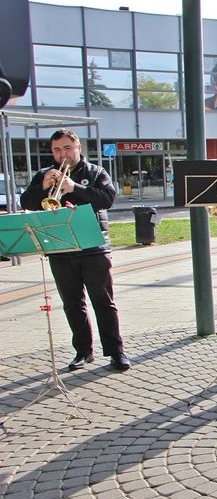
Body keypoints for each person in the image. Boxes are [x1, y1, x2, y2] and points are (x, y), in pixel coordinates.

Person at [20, 129, 131, 372]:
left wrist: (74, 188)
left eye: (67, 148)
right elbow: (26, 202)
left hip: (94, 248)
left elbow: (107, 199)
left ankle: (116, 351)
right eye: (57, 150)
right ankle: (83, 351)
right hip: (60, 249)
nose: (63, 154)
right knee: (72, 304)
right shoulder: (44, 175)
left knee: (103, 302)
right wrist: (43, 187)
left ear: (78, 147)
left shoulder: (96, 172)